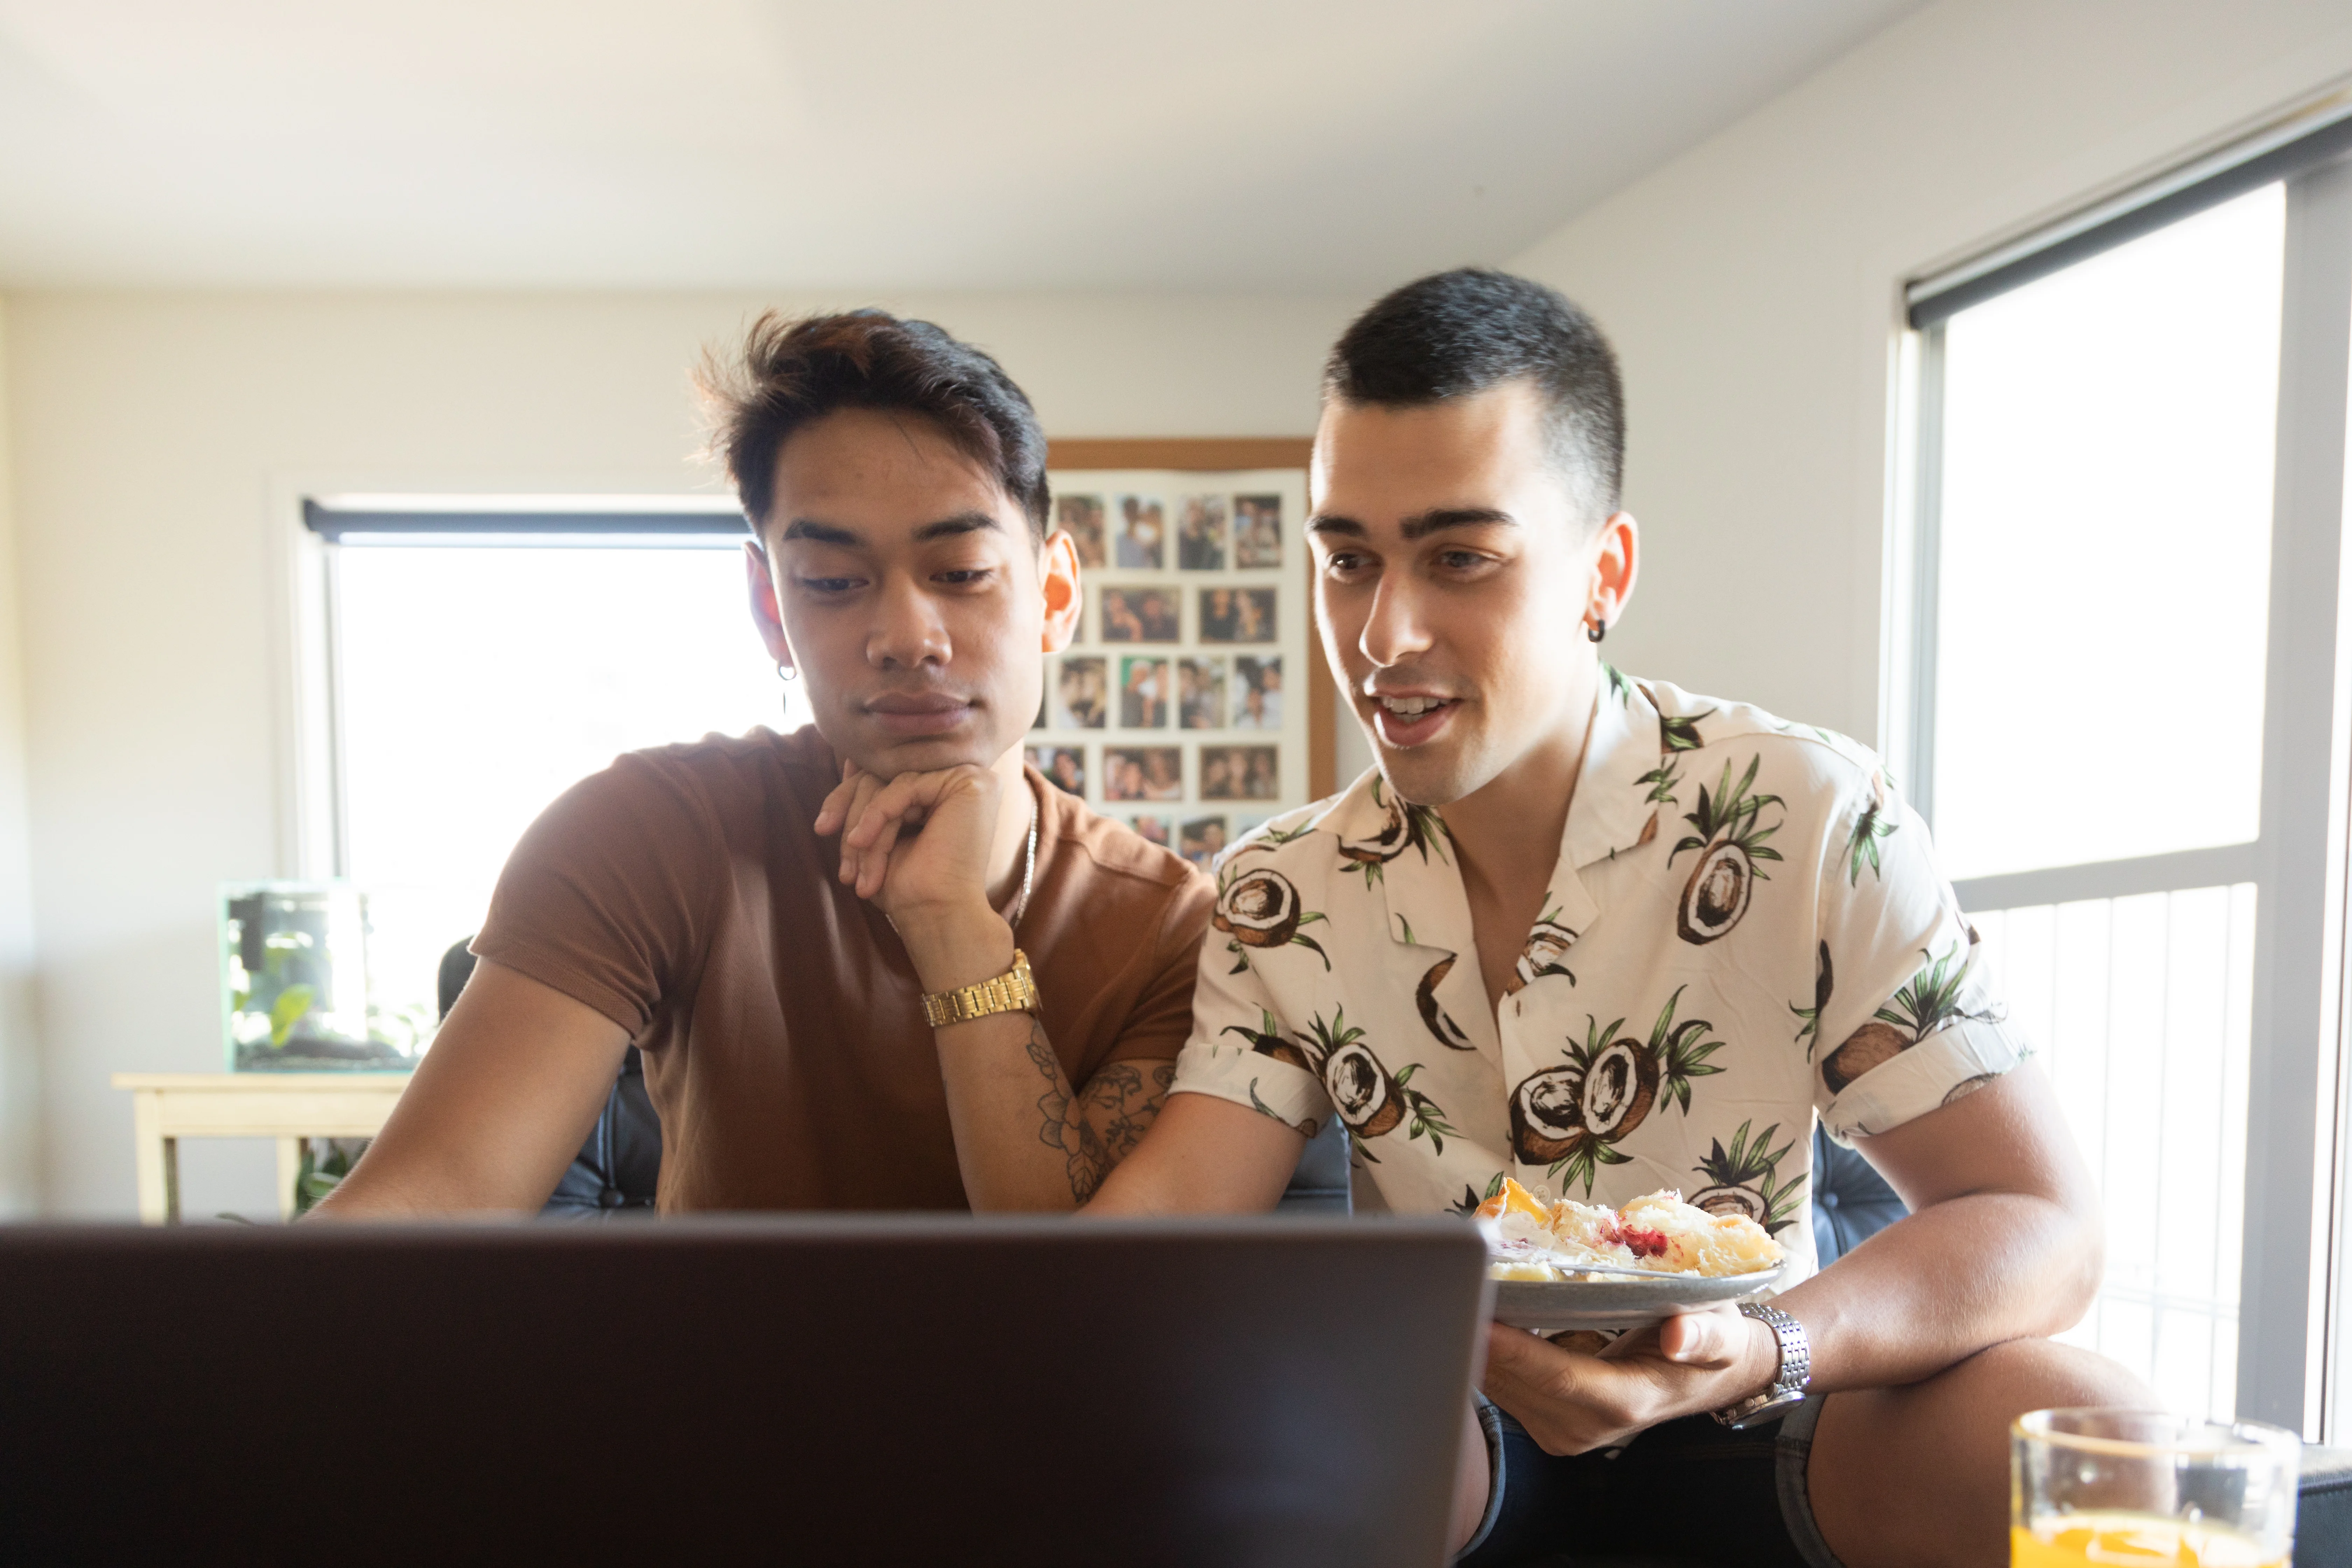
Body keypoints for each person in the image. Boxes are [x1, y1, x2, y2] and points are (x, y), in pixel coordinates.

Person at [1048, 271, 2148, 1568]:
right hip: (1458, 1435)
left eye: (1461, 558)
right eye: (1348, 561)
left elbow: (2044, 1223)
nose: (1384, 633)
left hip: (1768, 1410)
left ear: (1601, 572)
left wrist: (1770, 1345)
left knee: (2099, 1431)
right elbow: (1177, 1216)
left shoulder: (1804, 811)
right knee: (1264, 1431)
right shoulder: (1282, 885)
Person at [314, 309, 1212, 1218]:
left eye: (961, 573)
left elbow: (1075, 1280)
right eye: (832, 582)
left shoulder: (1172, 929)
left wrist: (956, 933)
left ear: (1055, 594)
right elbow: (432, 1197)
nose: (907, 638)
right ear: (771, 609)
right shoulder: (648, 832)